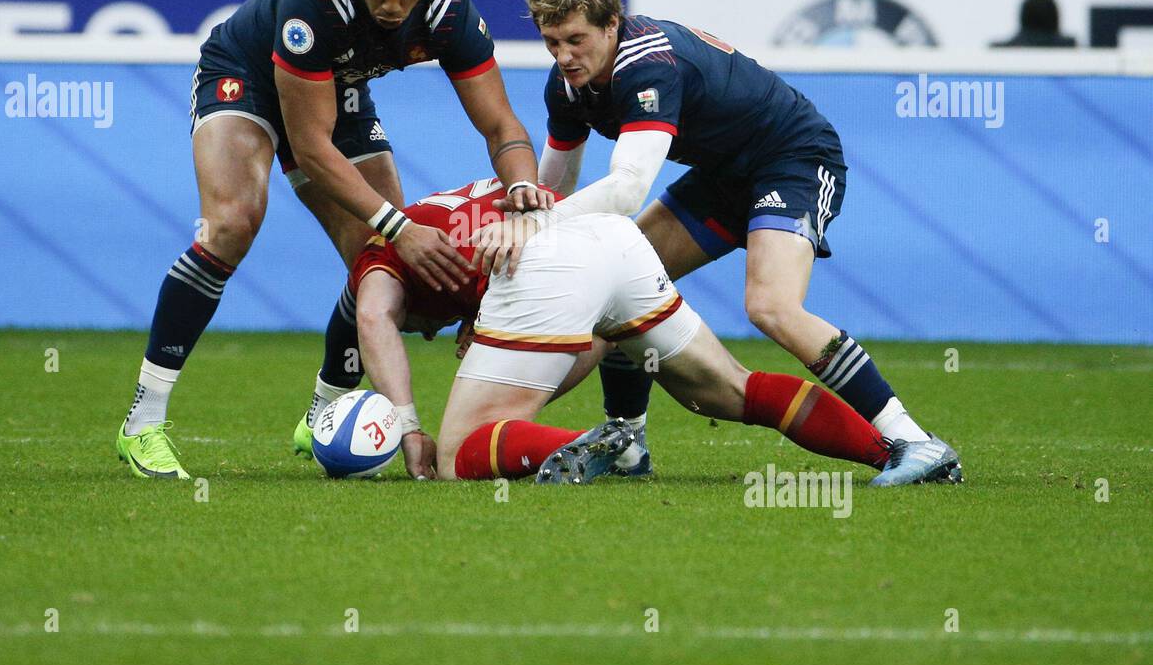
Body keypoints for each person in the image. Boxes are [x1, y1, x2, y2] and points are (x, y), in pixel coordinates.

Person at [468, 0, 961, 487]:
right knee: (620, 281)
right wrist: (523, 240)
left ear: (612, 25)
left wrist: (536, 226)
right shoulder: (568, 84)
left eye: (576, 39)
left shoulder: (647, 65)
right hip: (723, 175)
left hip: (792, 157)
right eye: (551, 42)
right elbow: (554, 190)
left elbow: (627, 190)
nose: (564, 56)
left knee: (771, 306)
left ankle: (915, 440)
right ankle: (627, 440)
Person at [115, 0, 552, 479]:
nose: (393, 5)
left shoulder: (449, 8)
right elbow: (311, 150)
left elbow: (500, 125)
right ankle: (143, 422)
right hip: (247, 76)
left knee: (377, 261)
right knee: (232, 223)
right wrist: (402, 227)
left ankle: (323, 414)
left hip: (336, 90)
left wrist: (522, 188)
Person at [338, 177, 927, 487]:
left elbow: (372, 317)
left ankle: (585, 443)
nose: (428, 335)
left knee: (456, 452)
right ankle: (897, 452)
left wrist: (409, 427)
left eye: (418, 326)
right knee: (733, 391)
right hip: (615, 238)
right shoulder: (449, 210)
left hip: (551, 263)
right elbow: (597, 334)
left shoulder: (380, 257)